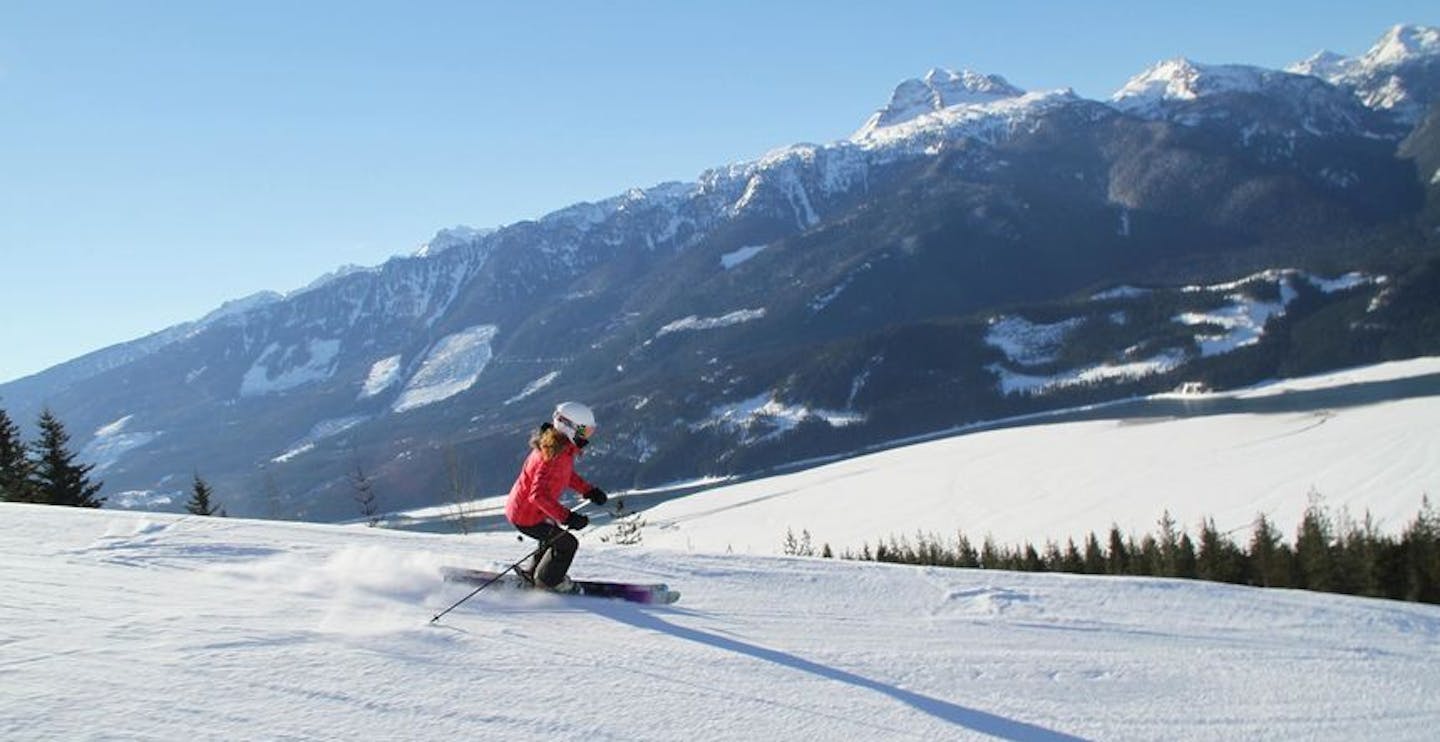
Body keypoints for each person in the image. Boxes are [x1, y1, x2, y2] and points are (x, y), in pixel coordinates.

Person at [504, 401, 609, 592]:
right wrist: (568, 517)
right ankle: (548, 582)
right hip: (527, 516)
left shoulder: (559, 447)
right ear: (569, 428)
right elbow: (538, 496)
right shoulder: (552, 456)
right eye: (584, 432)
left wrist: (588, 490)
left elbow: (566, 475)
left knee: (553, 537)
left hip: (526, 511)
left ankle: (535, 574)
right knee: (567, 544)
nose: (587, 437)